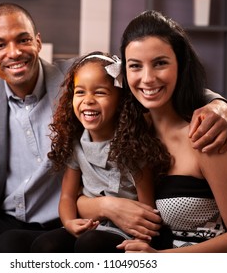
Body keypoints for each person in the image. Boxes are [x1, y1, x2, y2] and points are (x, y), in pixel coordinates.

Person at [0, 3, 227, 253]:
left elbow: (143, 79)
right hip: (1, 217)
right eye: (0, 44)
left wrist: (217, 106)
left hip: (64, 224)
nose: (14, 52)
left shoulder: (77, 77)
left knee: (21, 247)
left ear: (38, 42)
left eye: (23, 39)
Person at [115, 10, 227, 252]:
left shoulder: (205, 134)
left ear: (180, 66)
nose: (147, 78)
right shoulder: (135, 133)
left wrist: (160, 260)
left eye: (160, 63)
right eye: (135, 66)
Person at [26, 51, 171, 252]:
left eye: (100, 92)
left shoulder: (133, 146)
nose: (88, 100)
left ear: (121, 101)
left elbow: (148, 207)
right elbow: (67, 196)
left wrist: (143, 241)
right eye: (80, 92)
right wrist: (69, 222)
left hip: (124, 231)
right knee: (45, 245)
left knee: (90, 244)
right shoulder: (77, 145)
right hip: (89, 224)